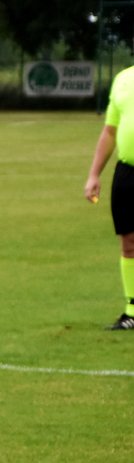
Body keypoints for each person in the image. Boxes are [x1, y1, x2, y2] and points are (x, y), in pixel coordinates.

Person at [82, 64, 134, 330]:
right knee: (128, 241)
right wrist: (94, 174)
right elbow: (110, 131)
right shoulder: (123, 79)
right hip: (127, 172)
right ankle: (131, 310)